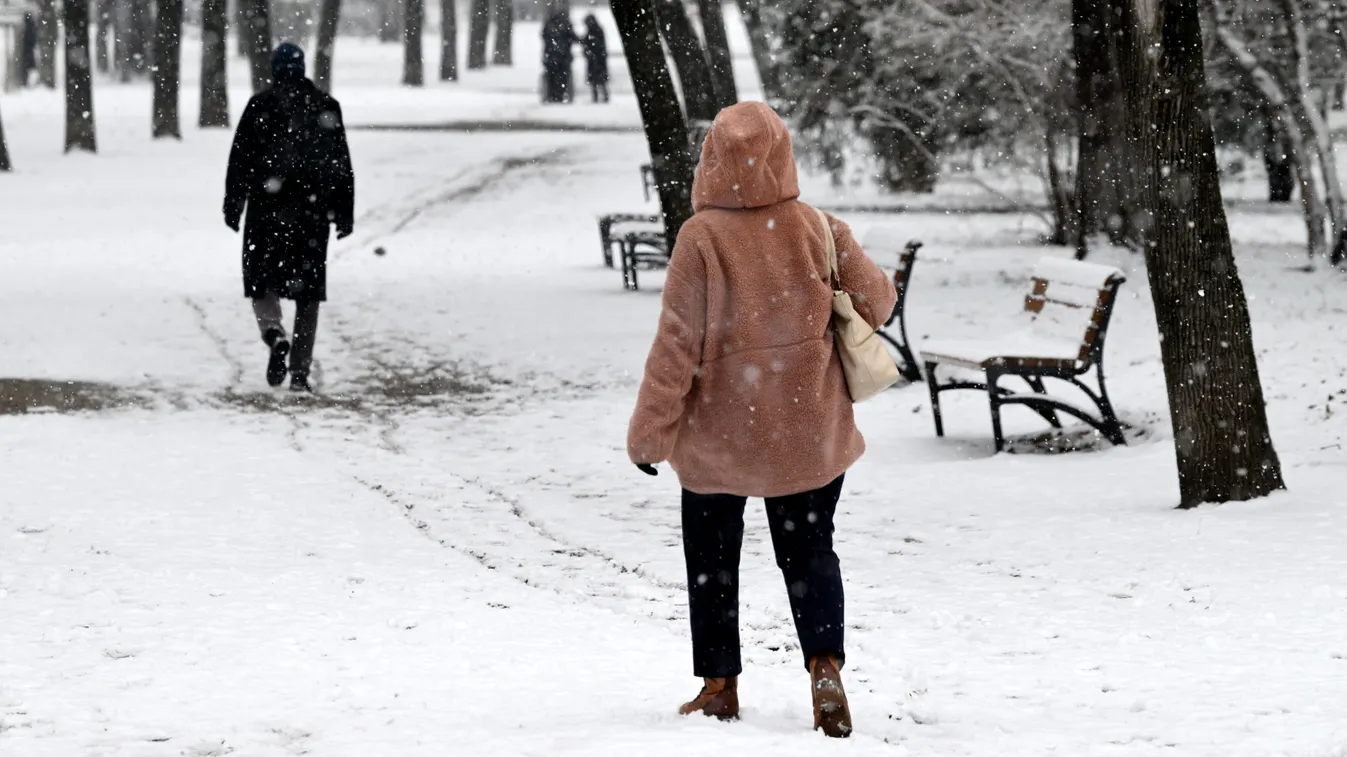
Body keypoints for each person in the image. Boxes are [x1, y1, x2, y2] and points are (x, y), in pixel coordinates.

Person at [626, 102, 896, 738]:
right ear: (783, 153)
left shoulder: (701, 239)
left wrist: (651, 431)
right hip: (807, 429)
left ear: (713, 159)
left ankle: (719, 685)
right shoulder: (815, 226)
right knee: (808, 553)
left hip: (720, 436)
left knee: (712, 558)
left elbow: (675, 346)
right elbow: (878, 303)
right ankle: (824, 665)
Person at [223, 43, 354, 393]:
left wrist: (233, 203)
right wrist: (343, 212)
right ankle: (299, 370)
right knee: (307, 293)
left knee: (261, 278)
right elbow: (341, 163)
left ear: (275, 69)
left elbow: (240, 159)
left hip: (267, 210)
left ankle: (273, 331)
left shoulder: (260, 107)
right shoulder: (326, 107)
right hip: (311, 214)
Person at [541, 11, 576, 104]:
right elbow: (572, 38)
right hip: (563, 57)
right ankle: (560, 95)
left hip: (551, 57)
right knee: (562, 77)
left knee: (551, 77)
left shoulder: (549, 25)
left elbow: (544, 37)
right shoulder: (565, 25)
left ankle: (552, 95)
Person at [581, 14, 609, 104]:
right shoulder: (596, 30)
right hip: (597, 58)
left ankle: (598, 97)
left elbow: (593, 43)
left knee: (596, 79)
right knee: (599, 80)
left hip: (596, 58)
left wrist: (587, 51)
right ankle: (601, 96)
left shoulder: (594, 31)